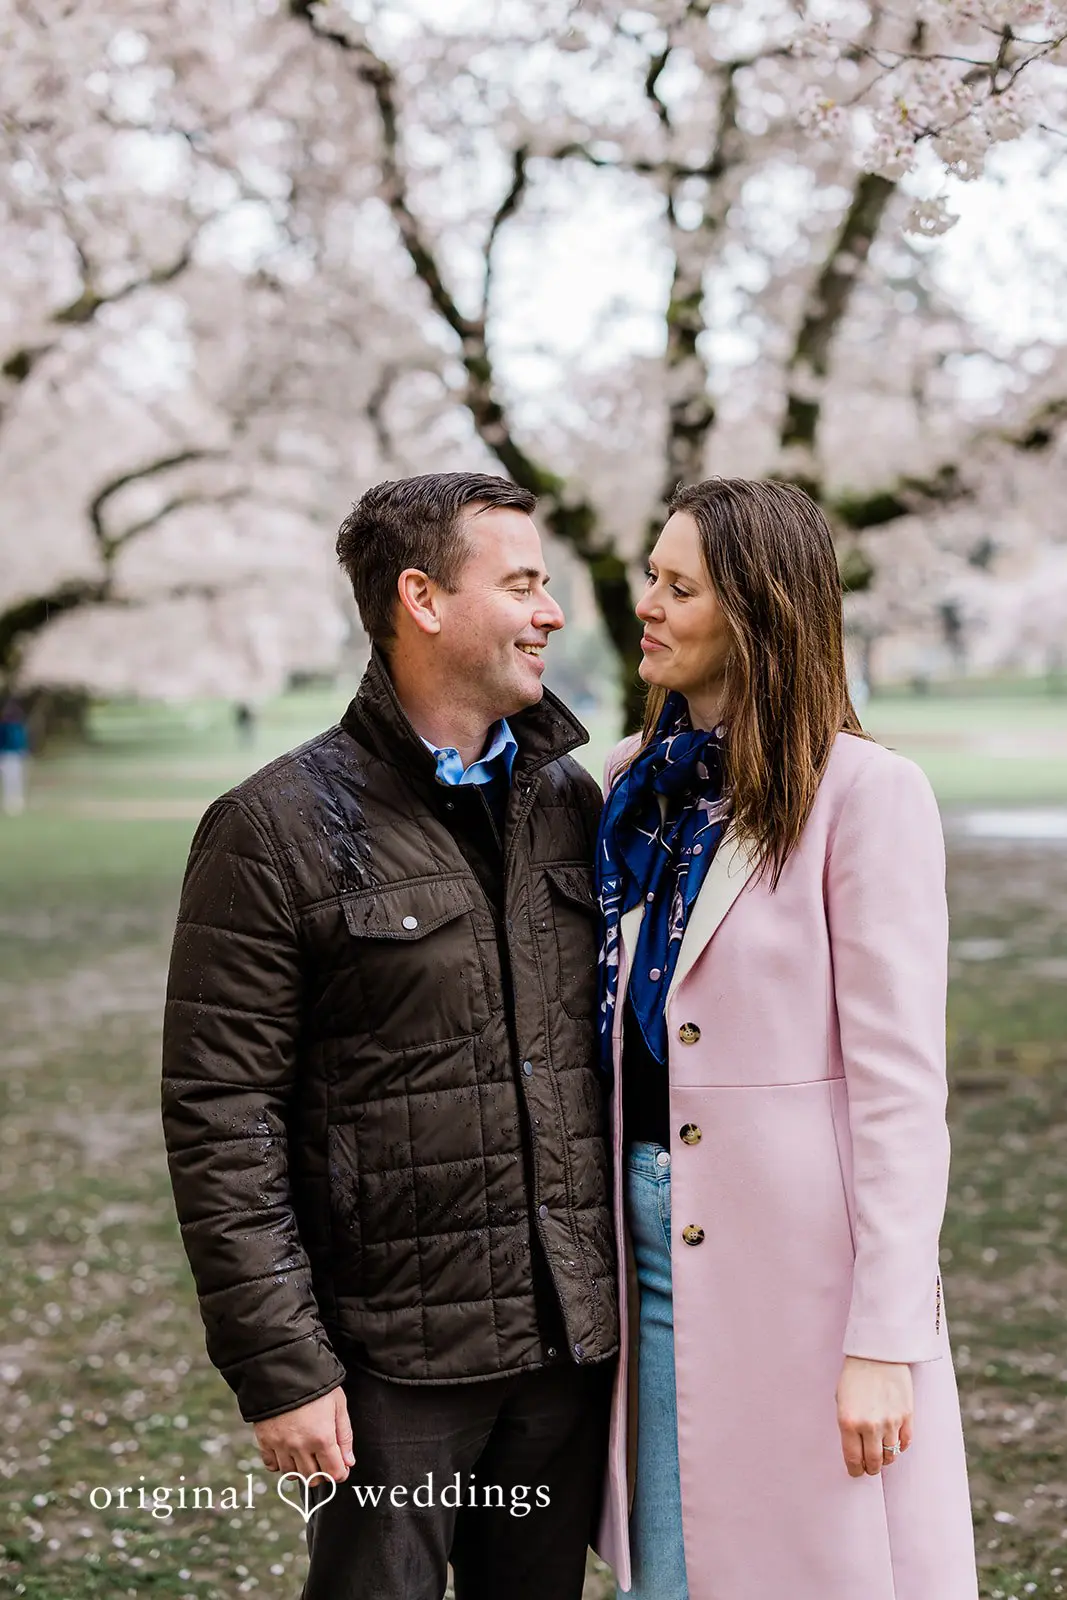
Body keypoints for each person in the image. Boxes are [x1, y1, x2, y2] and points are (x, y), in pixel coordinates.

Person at [161, 472, 617, 1600]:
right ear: (419, 597)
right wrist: (281, 1368)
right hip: (389, 1370)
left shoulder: (574, 804)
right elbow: (222, 1118)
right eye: (521, 584)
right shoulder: (268, 830)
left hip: (568, 1349)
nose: (551, 612)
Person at [594, 478, 977, 1600]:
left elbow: (900, 1091)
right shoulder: (625, 787)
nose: (647, 607)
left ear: (757, 612)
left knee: (815, 1566)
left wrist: (885, 1339)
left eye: (679, 587)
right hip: (639, 1249)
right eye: (649, 579)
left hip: (810, 1279)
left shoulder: (868, 796)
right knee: (667, 1570)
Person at [0, 697, 30, 816]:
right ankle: (11, 802)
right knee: (10, 780)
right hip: (7, 754)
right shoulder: (7, 727)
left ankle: (14, 802)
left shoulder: (17, 727)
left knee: (14, 779)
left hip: (14, 755)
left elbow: (22, 741)